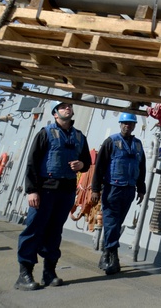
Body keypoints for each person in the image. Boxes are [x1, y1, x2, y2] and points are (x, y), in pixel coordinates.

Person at [16, 101, 91, 291]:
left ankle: (49, 272)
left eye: (69, 106)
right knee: (34, 229)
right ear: (55, 113)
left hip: (66, 191)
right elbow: (32, 162)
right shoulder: (45, 134)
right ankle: (24, 274)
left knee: (55, 231)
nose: (67, 108)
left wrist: (81, 165)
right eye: (63, 106)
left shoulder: (80, 137)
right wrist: (31, 190)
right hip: (45, 190)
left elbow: (87, 162)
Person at [90, 111, 146, 275]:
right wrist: (95, 189)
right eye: (125, 123)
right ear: (120, 124)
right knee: (111, 223)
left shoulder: (138, 145)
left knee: (117, 222)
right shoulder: (111, 142)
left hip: (129, 189)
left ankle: (107, 254)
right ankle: (112, 256)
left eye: (130, 123)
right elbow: (99, 167)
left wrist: (141, 189)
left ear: (134, 125)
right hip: (112, 188)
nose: (127, 126)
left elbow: (141, 167)